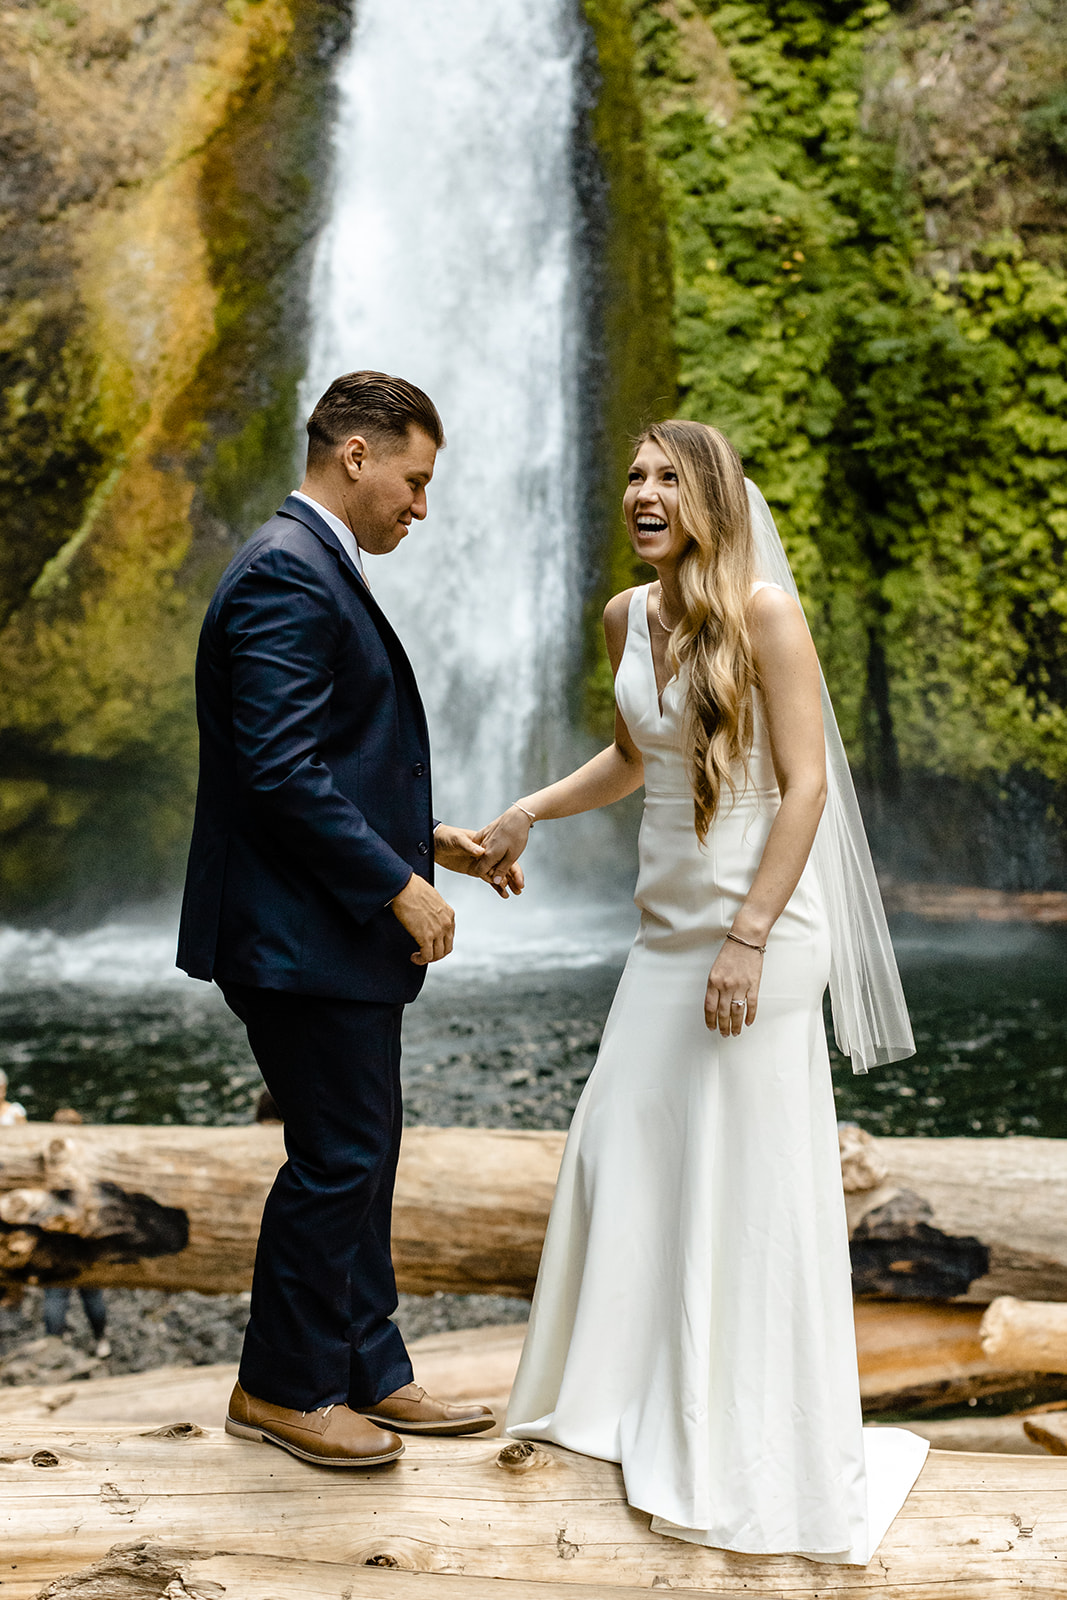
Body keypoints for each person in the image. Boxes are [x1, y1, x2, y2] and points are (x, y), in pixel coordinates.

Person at [478, 421, 927, 1564]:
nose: (642, 490)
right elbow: (636, 758)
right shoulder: (630, 616)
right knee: (614, 1140)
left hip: (756, 927)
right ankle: (623, 1397)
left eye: (666, 475)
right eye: (632, 473)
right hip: (662, 930)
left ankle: (748, 1431)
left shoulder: (766, 612)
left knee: (742, 1170)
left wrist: (750, 934)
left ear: (712, 497)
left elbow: (807, 785)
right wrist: (531, 806)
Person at [177, 370, 520, 1469]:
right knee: (338, 1154)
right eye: (414, 482)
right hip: (298, 933)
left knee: (364, 1148)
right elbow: (277, 772)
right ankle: (280, 1387)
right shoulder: (288, 570)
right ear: (356, 455)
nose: (421, 508)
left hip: (317, 925)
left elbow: (324, 766)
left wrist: (434, 847)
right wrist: (395, 886)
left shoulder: (308, 562)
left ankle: (368, 1364)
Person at [41, 1109, 111, 1357]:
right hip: (86, 1235)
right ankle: (101, 1340)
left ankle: (54, 1344)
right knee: (92, 1293)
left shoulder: (46, 1157)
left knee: (55, 1292)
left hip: (55, 1234)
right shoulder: (92, 1157)